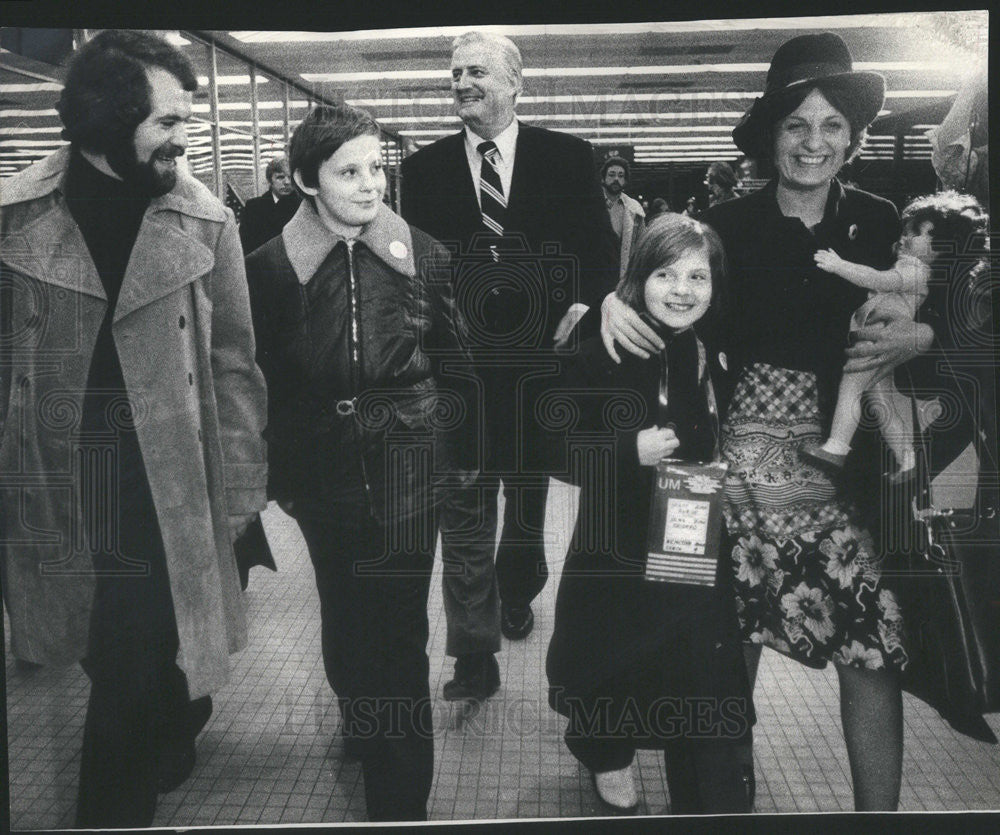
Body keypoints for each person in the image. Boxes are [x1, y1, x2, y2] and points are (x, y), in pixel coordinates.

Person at [598, 32, 932, 811]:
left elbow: (947, 310)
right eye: (796, 125)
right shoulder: (725, 225)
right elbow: (659, 292)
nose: (813, 143)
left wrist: (925, 332)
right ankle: (718, 804)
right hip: (728, 470)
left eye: (831, 127)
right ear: (771, 134)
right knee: (718, 652)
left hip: (842, 469)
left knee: (875, 649)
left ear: (852, 138)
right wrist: (613, 301)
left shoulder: (883, 221)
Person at [0, 30, 267, 827]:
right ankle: (170, 717)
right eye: (170, 121)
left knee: (124, 665)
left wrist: (246, 485)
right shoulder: (17, 217)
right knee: (114, 657)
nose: (186, 138)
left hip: (166, 488)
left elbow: (234, 363)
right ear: (111, 121)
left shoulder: (203, 218)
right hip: (57, 485)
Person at [245, 103, 474, 822]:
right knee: (345, 616)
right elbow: (257, 381)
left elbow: (459, 364)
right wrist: (275, 476)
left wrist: (462, 458)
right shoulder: (269, 269)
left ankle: (399, 804)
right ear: (305, 180)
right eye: (350, 171)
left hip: (410, 463)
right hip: (320, 475)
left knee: (400, 631)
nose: (371, 184)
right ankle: (360, 713)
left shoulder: (426, 255)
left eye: (378, 167)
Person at [401, 31, 618, 699]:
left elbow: (598, 254)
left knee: (524, 496)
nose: (463, 82)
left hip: (538, 364)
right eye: (456, 72)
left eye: (477, 72)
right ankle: (474, 652)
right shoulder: (424, 169)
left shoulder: (567, 158)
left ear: (516, 85)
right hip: (460, 366)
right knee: (466, 501)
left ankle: (519, 584)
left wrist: (582, 306)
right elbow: (413, 266)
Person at [541, 214, 753, 815]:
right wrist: (622, 450)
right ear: (639, 277)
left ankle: (698, 767)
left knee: (689, 660)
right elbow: (547, 447)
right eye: (664, 273)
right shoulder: (600, 349)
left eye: (697, 275)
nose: (682, 289)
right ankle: (608, 754)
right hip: (613, 542)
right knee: (608, 656)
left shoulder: (719, 349)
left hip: (690, 538)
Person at [804, 191, 986, 477]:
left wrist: (838, 266)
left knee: (852, 386)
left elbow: (879, 279)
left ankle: (836, 447)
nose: (906, 237)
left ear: (942, 247)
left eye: (917, 233)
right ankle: (909, 459)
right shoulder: (913, 267)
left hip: (878, 339)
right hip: (878, 339)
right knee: (881, 403)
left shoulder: (917, 271)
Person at [238, 154, 301, 254]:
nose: (287, 182)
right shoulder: (253, 208)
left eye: (290, 177)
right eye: (280, 177)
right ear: (270, 180)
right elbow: (244, 245)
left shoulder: (303, 206)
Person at [600, 155, 645, 277]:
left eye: (621, 176)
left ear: (625, 181)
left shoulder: (635, 208)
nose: (616, 179)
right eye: (611, 174)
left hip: (622, 272)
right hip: (595, 271)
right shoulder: (591, 205)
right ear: (603, 179)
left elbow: (641, 246)